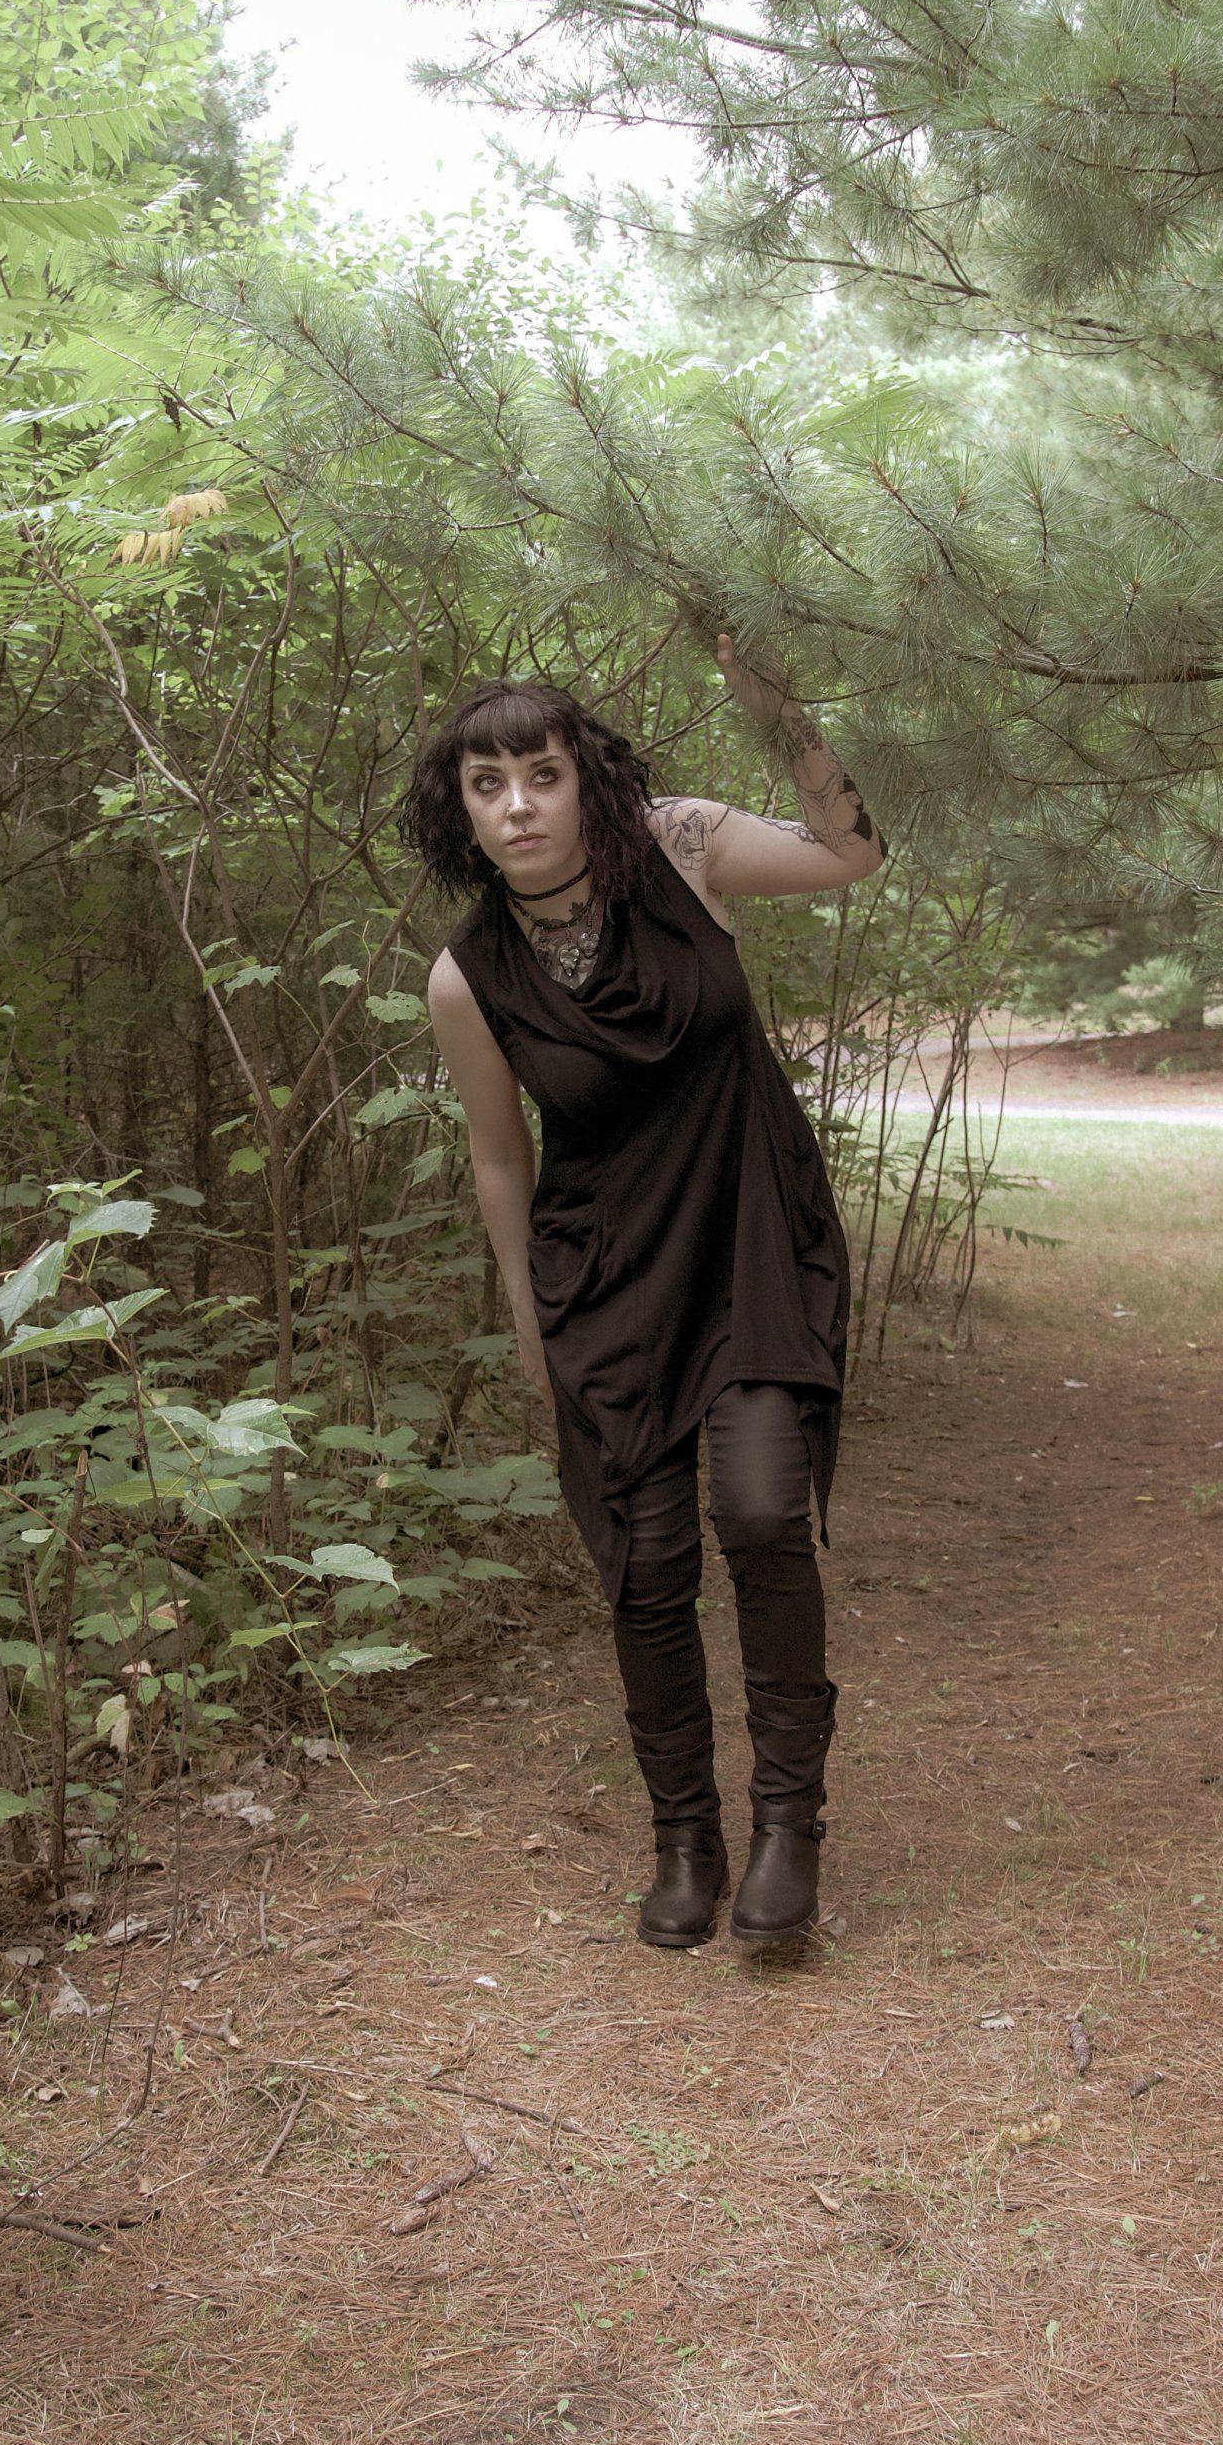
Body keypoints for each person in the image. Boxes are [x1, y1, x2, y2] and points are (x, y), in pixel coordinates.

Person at [402, 636, 886, 1950]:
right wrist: (526, 1317)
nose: (516, 805)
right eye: (486, 784)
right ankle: (686, 1837)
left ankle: (792, 1831)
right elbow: (502, 1157)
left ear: (587, 782)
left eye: (541, 775)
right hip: (603, 1280)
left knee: (761, 1509)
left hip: (750, 1243)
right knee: (648, 1568)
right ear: (461, 809)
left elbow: (848, 856)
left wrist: (787, 717)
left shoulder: (683, 849)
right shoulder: (467, 978)